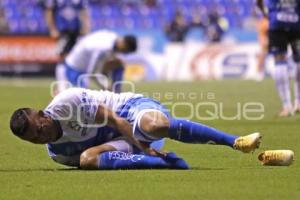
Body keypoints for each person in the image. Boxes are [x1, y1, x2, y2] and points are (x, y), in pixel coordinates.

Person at [10, 88, 262, 170]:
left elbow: (116, 121)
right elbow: (101, 158)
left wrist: (145, 147)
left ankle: (236, 142)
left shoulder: (67, 103)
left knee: (155, 124)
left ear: (42, 116)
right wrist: (143, 153)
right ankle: (168, 164)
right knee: (87, 159)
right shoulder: (57, 154)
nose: (40, 137)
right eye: (34, 140)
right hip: (120, 143)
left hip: (128, 111)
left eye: (38, 130)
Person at [55, 30, 137, 93]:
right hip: (74, 69)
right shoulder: (102, 49)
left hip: (84, 65)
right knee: (82, 98)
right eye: (125, 51)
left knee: (119, 64)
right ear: (124, 43)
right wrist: (106, 87)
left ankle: (117, 92)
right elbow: (92, 73)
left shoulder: (113, 38)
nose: (123, 53)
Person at [257, 0, 300, 116]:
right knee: (298, 62)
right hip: (296, 22)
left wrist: (266, 13)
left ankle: (287, 106)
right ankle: (298, 101)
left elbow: (258, 1)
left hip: (277, 22)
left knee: (280, 62)